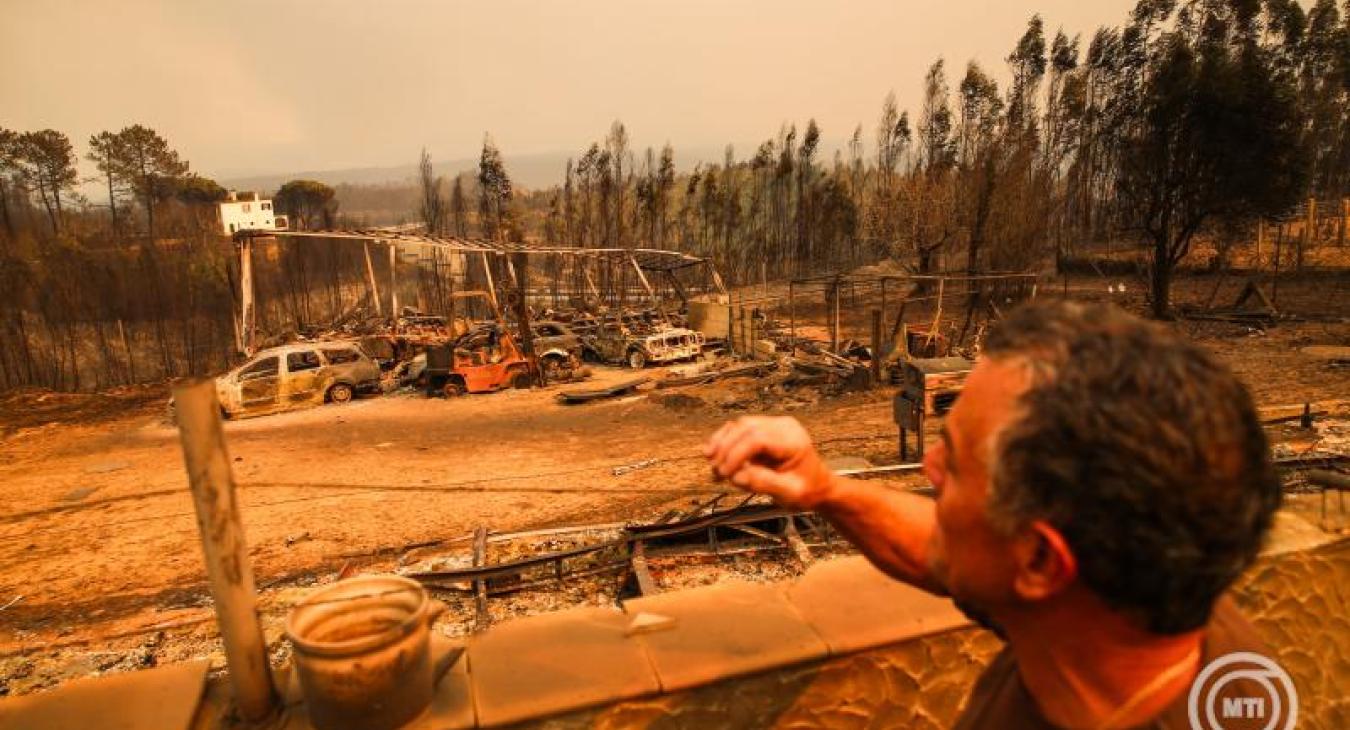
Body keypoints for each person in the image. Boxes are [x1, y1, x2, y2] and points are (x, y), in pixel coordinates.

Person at [704, 300, 1281, 729]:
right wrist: (825, 488)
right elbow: (952, 547)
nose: (928, 466)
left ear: (1037, 560)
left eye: (952, 465)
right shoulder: (1138, 601)